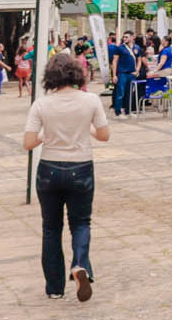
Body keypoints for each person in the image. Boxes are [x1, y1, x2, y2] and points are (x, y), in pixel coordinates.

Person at [22, 52, 111, 302]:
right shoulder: (91, 100)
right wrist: (88, 129)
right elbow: (104, 135)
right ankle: (80, 264)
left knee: (51, 228)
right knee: (81, 223)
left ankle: (54, 288)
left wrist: (46, 135)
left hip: (49, 168)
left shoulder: (41, 104)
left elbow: (28, 142)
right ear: (77, 74)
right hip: (81, 166)